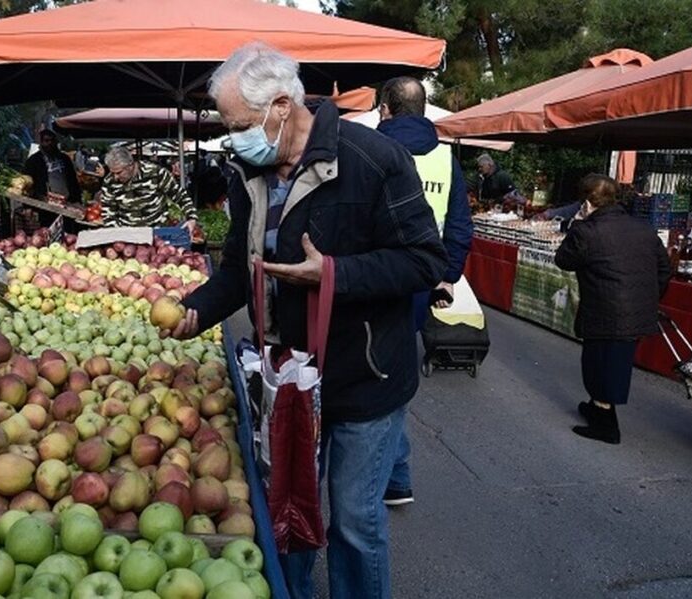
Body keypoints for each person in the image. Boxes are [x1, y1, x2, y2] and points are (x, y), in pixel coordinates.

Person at [161, 43, 447, 599]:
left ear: (282, 106)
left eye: (238, 123)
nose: (232, 135)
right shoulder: (250, 172)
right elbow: (239, 271)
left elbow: (426, 261)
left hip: (365, 376)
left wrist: (333, 274)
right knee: (288, 507)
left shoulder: (373, 160)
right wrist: (196, 310)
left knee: (355, 524)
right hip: (287, 376)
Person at [375, 76, 472, 507]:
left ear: (384, 109)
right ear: (425, 109)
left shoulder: (368, 148)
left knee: (369, 378)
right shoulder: (446, 159)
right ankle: (396, 477)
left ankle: (390, 477)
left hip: (370, 279)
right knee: (395, 374)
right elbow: (459, 226)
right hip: (421, 284)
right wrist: (447, 276)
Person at [555, 174, 671, 444]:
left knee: (599, 365)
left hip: (605, 310)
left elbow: (563, 260)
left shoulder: (586, 231)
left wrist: (576, 224)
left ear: (586, 202)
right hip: (637, 309)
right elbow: (664, 269)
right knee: (612, 363)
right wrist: (649, 297)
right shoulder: (643, 228)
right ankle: (597, 408)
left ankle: (606, 426)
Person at [98, 146, 198, 229]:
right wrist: (117, 234)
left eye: (119, 172)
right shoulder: (109, 182)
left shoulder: (156, 173)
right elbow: (108, 213)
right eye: (112, 172)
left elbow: (179, 195)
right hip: (127, 236)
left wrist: (191, 217)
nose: (115, 177)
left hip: (158, 231)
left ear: (130, 166)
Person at [22, 129, 82, 204]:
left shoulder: (65, 159)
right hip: (44, 203)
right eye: (46, 140)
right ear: (41, 142)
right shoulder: (33, 161)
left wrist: (77, 200)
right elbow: (27, 183)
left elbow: (73, 181)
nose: (50, 143)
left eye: (52, 140)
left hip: (67, 203)